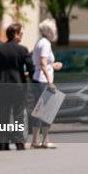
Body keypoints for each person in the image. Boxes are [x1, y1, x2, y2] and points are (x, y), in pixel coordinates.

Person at [0, 23, 35, 151]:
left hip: (1, 85)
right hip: (18, 86)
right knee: (18, 114)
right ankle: (19, 142)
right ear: (15, 34)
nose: (22, 35)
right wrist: (30, 75)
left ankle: (3, 143)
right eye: (21, 33)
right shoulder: (22, 50)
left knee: (3, 114)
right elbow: (30, 66)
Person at [28, 19, 62, 149]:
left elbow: (42, 63)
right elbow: (42, 63)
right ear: (48, 31)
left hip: (37, 79)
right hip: (43, 81)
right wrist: (50, 82)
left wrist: (53, 65)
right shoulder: (46, 43)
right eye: (54, 29)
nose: (55, 32)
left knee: (39, 110)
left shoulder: (40, 42)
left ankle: (36, 140)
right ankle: (45, 140)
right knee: (47, 111)